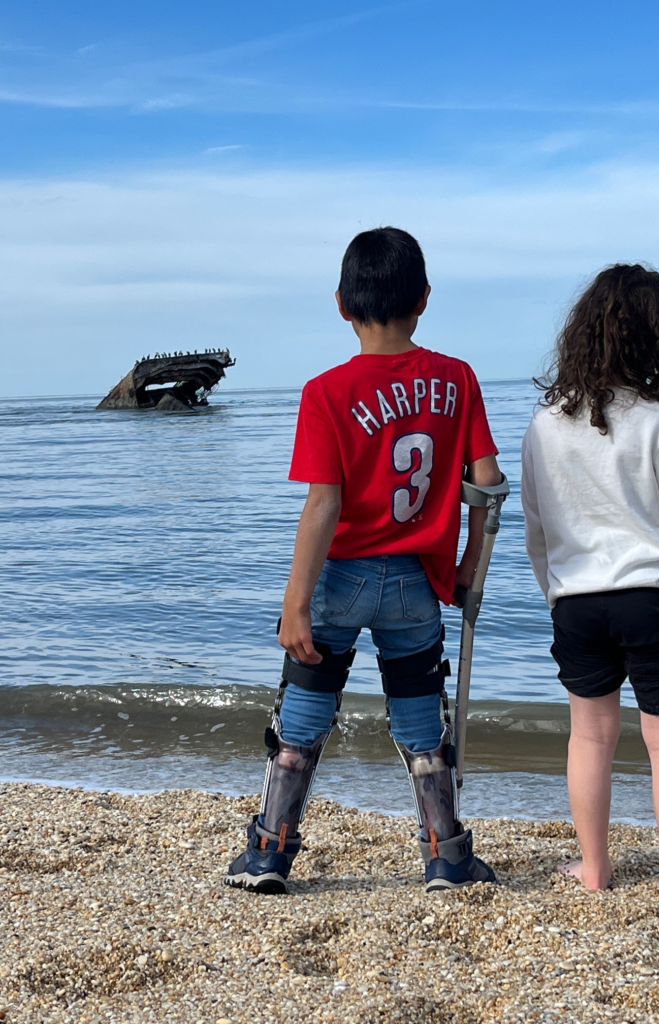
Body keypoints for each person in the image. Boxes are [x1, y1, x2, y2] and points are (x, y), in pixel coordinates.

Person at [227, 227, 503, 894]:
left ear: (341, 304)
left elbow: (324, 505)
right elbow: (486, 484)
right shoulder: (456, 379)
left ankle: (269, 852)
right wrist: (468, 565)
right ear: (425, 299)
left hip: (340, 579)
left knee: (301, 722)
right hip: (415, 579)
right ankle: (446, 856)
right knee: (420, 727)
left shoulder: (327, 392)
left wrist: (295, 603)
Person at [521, 264, 659, 900]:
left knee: (589, 736)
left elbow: (539, 528)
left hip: (577, 602)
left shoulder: (544, 425)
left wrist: (556, 591)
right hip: (653, 599)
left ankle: (595, 870)